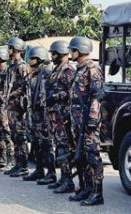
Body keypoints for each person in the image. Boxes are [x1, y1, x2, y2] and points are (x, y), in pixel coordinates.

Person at [67, 36, 104, 206]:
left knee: (92, 156)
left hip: (89, 121)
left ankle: (97, 193)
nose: (70, 53)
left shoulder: (92, 69)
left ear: (80, 50)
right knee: (81, 156)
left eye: (73, 50)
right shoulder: (79, 69)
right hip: (78, 121)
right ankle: (86, 188)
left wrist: (92, 119)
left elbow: (97, 95)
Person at [22, 47, 56, 185]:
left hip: (44, 115)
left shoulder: (47, 74)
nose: (29, 61)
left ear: (39, 59)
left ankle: (51, 173)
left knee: (47, 144)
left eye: (32, 58)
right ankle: (39, 170)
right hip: (35, 115)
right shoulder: (34, 75)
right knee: (36, 144)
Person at [46, 40, 75, 193]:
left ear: (60, 53)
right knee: (59, 147)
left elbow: (72, 91)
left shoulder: (68, 70)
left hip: (63, 115)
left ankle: (68, 181)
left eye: (53, 53)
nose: (51, 56)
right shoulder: (56, 69)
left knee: (64, 148)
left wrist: (56, 96)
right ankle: (63, 178)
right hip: (54, 115)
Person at [3, 37, 29, 177]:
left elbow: (26, 86)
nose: (8, 50)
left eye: (9, 48)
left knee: (20, 136)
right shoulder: (11, 66)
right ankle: (18, 164)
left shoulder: (21, 66)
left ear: (15, 49)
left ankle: (23, 166)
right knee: (14, 136)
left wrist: (14, 93)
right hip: (11, 107)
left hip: (19, 107)